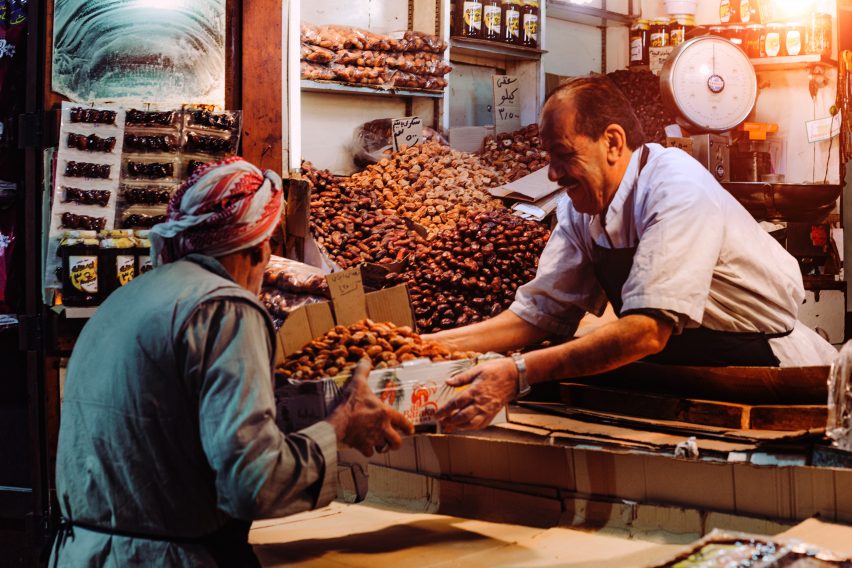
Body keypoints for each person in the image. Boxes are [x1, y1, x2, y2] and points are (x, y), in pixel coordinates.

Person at [50, 158, 413, 566]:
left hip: (83, 553)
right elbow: (253, 483)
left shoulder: (126, 298)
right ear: (259, 249)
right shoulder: (225, 307)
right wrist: (339, 425)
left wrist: (304, 407)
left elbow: (172, 423)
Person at [431, 75, 837, 432]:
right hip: (677, 371)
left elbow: (646, 331)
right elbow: (537, 315)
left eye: (564, 154)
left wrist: (519, 371)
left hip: (761, 369)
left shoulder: (674, 187)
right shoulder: (579, 208)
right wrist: (427, 347)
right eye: (548, 158)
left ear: (612, 142)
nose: (552, 174)